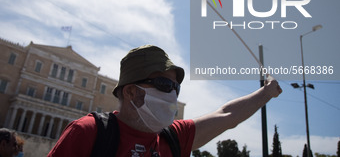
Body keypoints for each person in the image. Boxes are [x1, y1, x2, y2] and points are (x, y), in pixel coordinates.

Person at [47, 45, 282, 157]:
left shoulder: (174, 137)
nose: (171, 94)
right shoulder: (88, 133)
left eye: (175, 87)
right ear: (130, 92)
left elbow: (226, 115)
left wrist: (266, 92)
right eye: (163, 84)